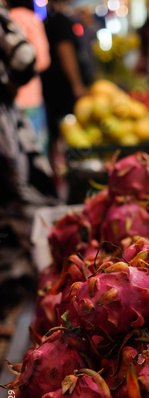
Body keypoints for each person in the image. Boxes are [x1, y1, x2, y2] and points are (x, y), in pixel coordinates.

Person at [0, 0, 57, 326]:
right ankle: (28, 279)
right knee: (22, 195)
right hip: (17, 118)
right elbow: (29, 60)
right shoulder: (13, 17)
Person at [41, 0, 91, 158]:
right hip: (62, 89)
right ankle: (63, 169)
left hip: (52, 87)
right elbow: (65, 53)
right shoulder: (60, 20)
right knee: (63, 132)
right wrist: (77, 85)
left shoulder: (50, 18)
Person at [8, 0, 51, 155]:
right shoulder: (32, 19)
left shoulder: (6, 19)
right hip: (31, 97)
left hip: (8, 99)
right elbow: (43, 60)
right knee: (36, 151)